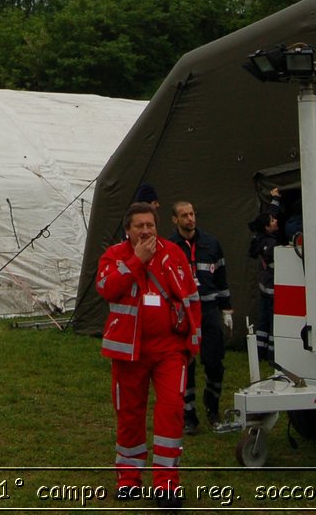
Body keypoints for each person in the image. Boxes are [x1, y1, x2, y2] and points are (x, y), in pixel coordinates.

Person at [96, 202, 200, 509]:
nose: (145, 231)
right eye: (139, 226)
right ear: (127, 230)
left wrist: (193, 343)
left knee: (171, 412)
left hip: (170, 351)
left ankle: (167, 485)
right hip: (129, 352)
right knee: (129, 415)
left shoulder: (174, 254)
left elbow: (192, 299)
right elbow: (106, 288)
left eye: (150, 225)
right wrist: (136, 261)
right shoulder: (114, 256)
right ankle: (128, 479)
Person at [165, 200, 229, 435]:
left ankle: (213, 408)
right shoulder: (169, 246)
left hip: (209, 309)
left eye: (192, 214)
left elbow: (221, 276)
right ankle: (189, 416)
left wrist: (227, 309)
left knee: (214, 362)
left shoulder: (211, 243)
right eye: (184, 215)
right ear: (175, 220)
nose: (190, 219)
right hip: (183, 313)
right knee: (186, 365)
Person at [247, 211, 280, 365]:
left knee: (263, 322)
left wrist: (275, 201)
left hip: (264, 287)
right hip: (273, 288)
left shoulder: (258, 240)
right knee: (274, 323)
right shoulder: (271, 244)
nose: (276, 221)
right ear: (267, 227)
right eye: (272, 220)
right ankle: (273, 356)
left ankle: (259, 353)